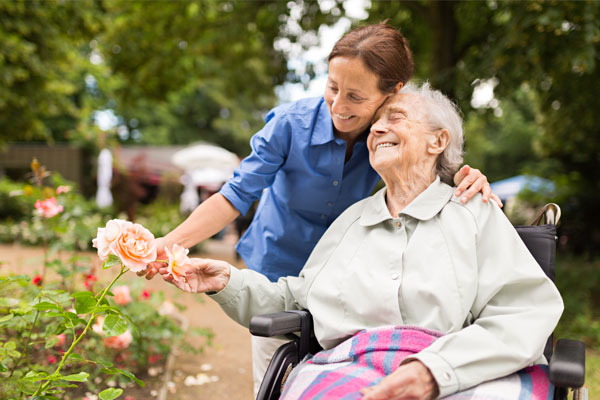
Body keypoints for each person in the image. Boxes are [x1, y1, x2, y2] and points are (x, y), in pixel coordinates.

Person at [140, 23, 502, 394]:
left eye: (356, 97)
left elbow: (427, 161)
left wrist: (464, 175)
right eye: (332, 88)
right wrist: (167, 243)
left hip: (344, 284)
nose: (339, 106)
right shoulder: (289, 125)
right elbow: (235, 195)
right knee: (274, 380)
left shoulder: (386, 133)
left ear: (392, 93)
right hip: (276, 268)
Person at [157, 83, 563, 399]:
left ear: (438, 141)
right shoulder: (352, 221)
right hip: (349, 369)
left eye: (397, 117)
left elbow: (524, 312)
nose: (379, 129)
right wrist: (227, 281)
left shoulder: (475, 213)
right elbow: (297, 302)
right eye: (376, 124)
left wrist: (434, 371)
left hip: (459, 371)